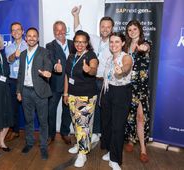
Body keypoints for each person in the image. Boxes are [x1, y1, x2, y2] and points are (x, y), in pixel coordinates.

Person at [72, 5, 114, 143]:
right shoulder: (94, 39)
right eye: (103, 26)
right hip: (90, 80)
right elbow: (79, 32)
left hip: (105, 81)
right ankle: (94, 132)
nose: (105, 29)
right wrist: (76, 15)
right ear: (100, 27)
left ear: (112, 29)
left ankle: (103, 134)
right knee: (91, 109)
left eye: (108, 27)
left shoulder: (114, 43)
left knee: (104, 109)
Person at [63, 30, 99, 168]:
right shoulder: (71, 56)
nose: (80, 44)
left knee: (83, 126)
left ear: (87, 43)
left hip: (86, 96)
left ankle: (82, 154)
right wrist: (65, 94)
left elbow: (94, 69)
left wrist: (89, 69)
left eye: (83, 42)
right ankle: (80, 146)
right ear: (74, 42)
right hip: (72, 95)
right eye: (77, 41)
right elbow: (67, 76)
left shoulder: (91, 55)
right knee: (76, 123)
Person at [16, 27, 52, 160]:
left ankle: (43, 147)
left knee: (43, 121)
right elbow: (20, 73)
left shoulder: (45, 52)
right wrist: (18, 91)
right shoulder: (23, 54)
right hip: (25, 91)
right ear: (26, 38)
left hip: (40, 92)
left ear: (38, 38)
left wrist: (48, 72)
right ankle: (29, 143)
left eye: (34, 36)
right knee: (28, 119)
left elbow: (48, 65)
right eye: (29, 36)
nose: (31, 38)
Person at [101, 32, 133, 170]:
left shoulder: (127, 57)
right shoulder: (109, 59)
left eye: (117, 42)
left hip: (121, 93)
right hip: (108, 92)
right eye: (111, 42)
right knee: (107, 124)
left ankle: (115, 159)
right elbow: (107, 78)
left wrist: (121, 71)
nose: (113, 44)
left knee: (117, 127)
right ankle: (110, 151)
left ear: (123, 43)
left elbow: (126, 67)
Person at [124, 20, 151, 163]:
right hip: (127, 85)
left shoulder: (146, 43)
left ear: (139, 30)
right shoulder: (125, 46)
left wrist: (142, 47)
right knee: (129, 115)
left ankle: (143, 149)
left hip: (140, 88)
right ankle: (130, 139)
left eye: (135, 29)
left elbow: (146, 47)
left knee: (140, 117)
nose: (132, 31)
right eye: (129, 30)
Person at [45, 21, 76, 145]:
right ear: (53, 32)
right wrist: (54, 66)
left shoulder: (72, 44)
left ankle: (64, 132)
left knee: (67, 109)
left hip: (71, 84)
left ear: (65, 30)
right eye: (57, 30)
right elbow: (49, 61)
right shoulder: (49, 46)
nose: (60, 32)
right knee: (50, 110)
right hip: (55, 84)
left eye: (62, 29)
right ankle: (50, 135)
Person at [5, 22, 28, 141]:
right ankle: (15, 131)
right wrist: (15, 55)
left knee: (27, 107)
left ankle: (29, 133)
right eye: (13, 30)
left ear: (23, 31)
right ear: (11, 33)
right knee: (13, 107)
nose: (16, 32)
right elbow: (9, 60)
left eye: (18, 29)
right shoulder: (9, 47)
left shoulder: (29, 45)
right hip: (13, 80)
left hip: (26, 80)